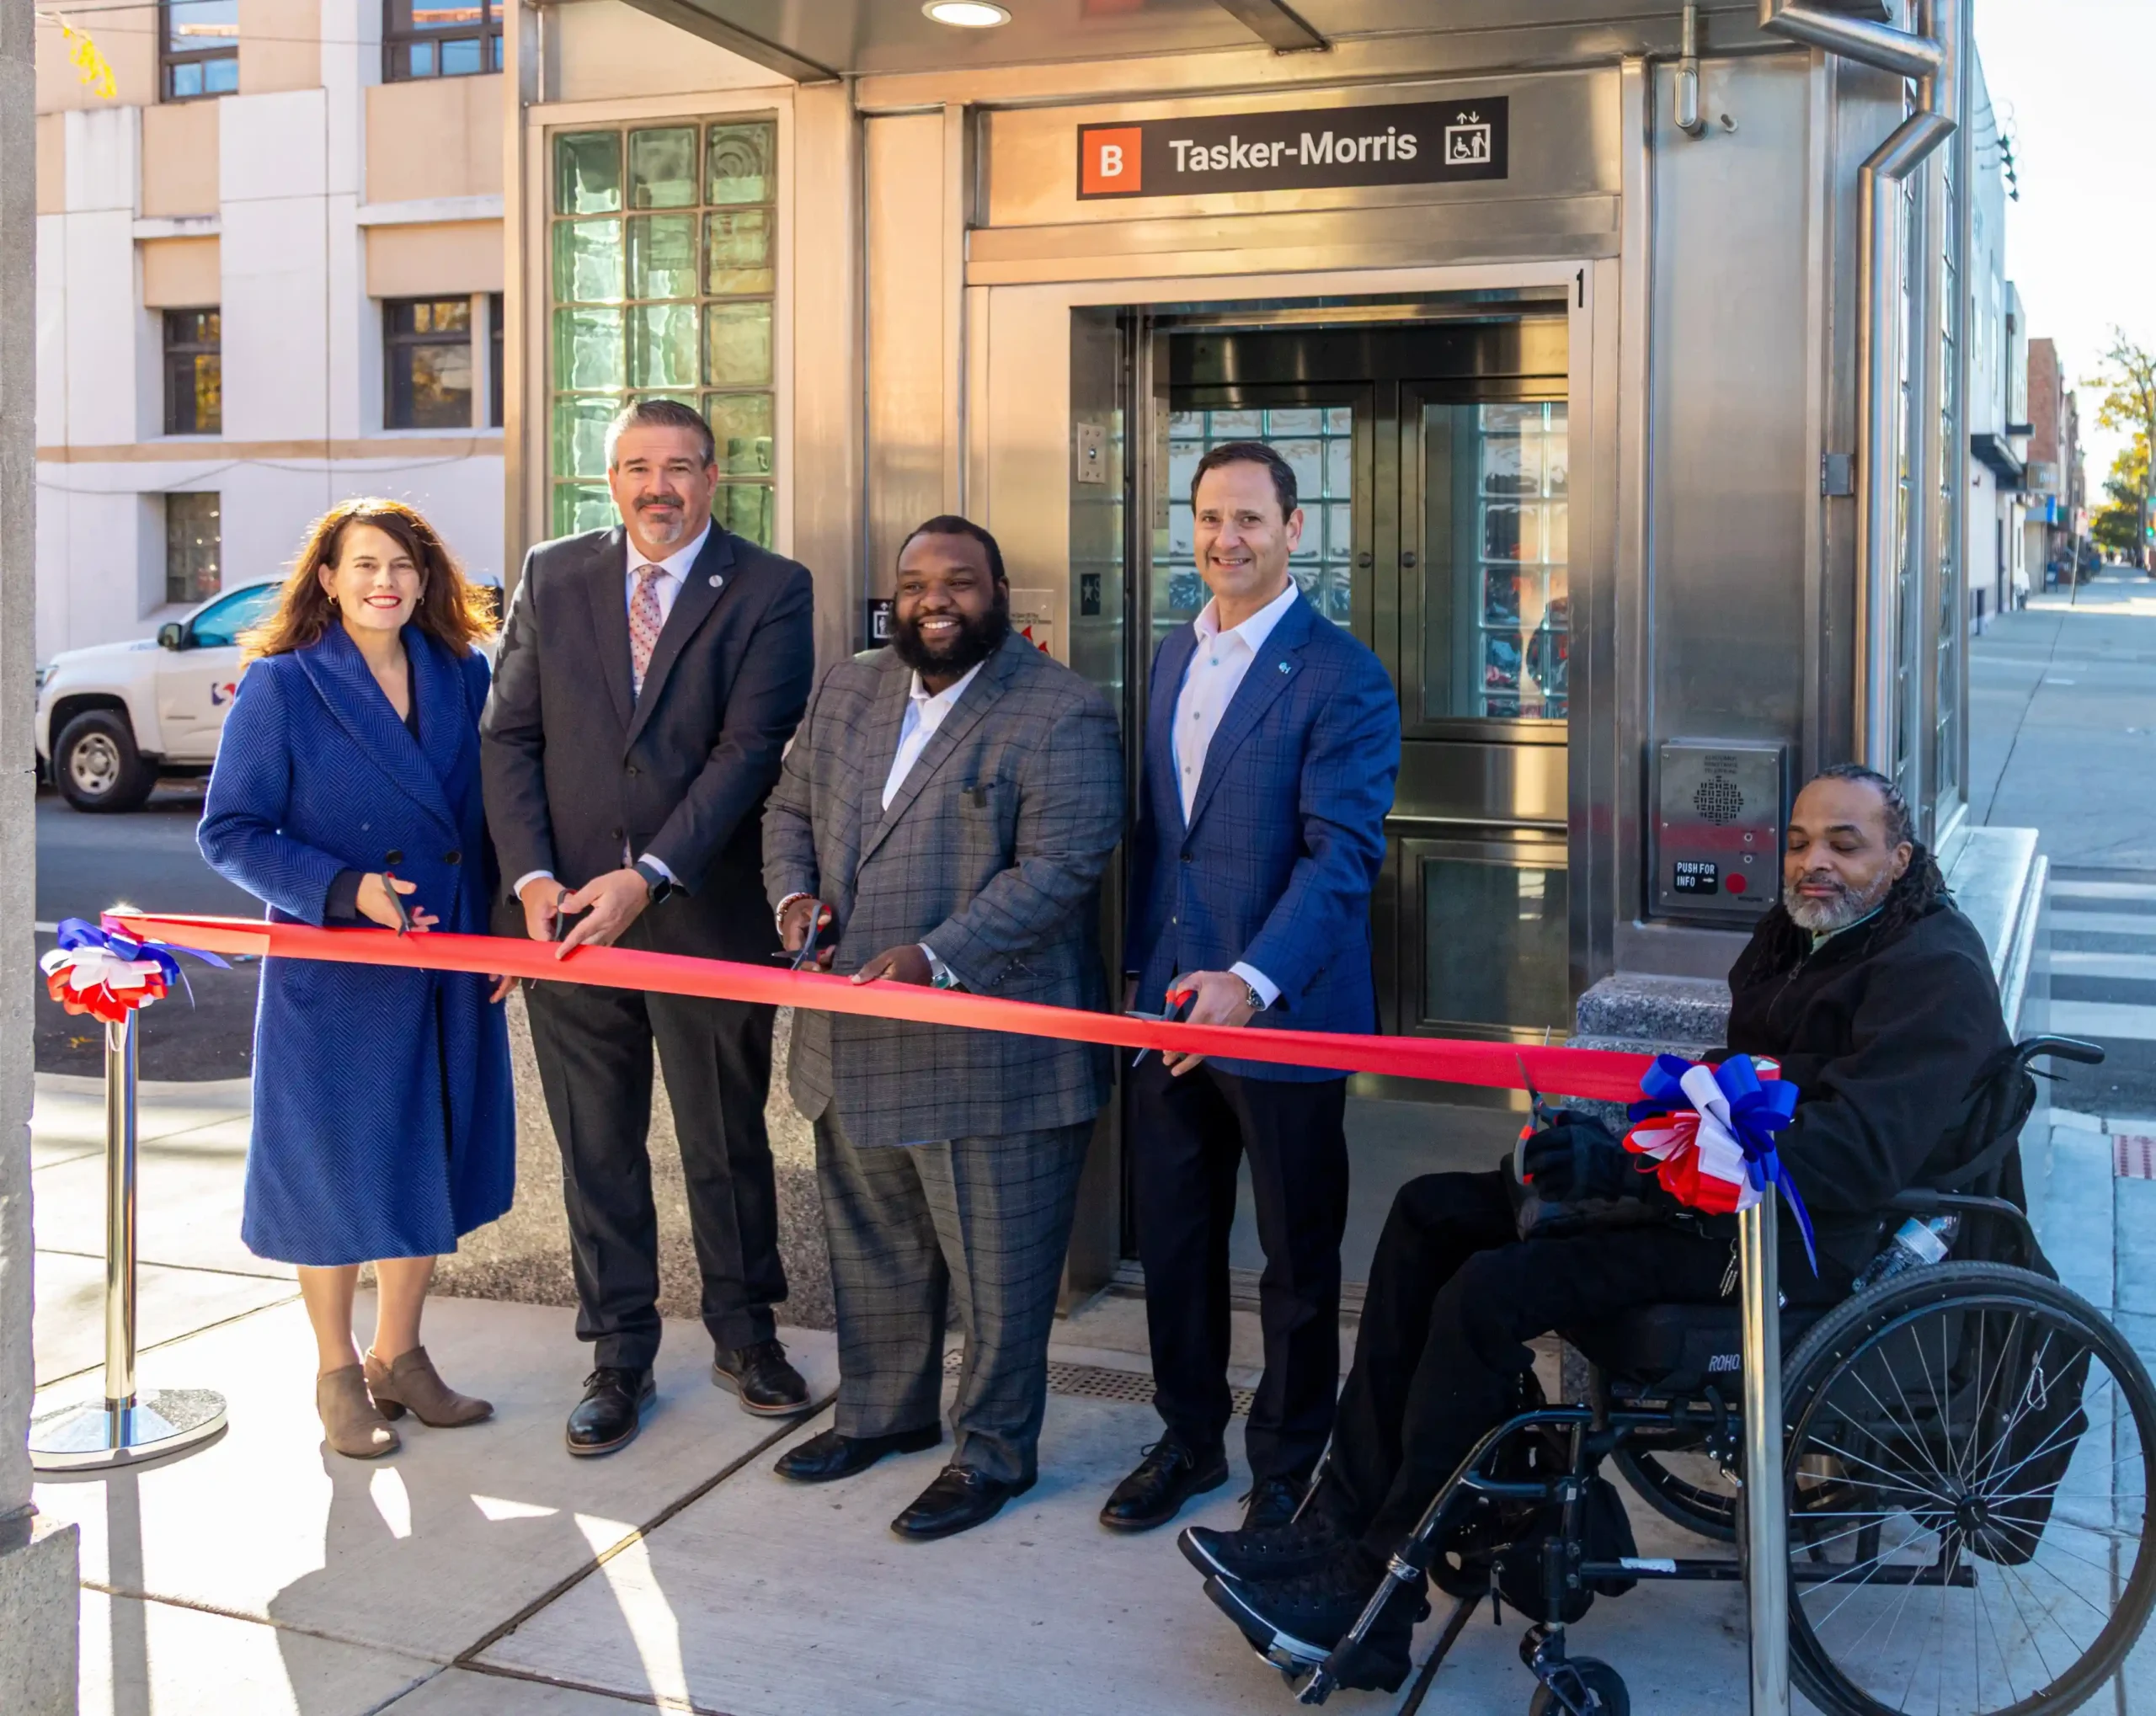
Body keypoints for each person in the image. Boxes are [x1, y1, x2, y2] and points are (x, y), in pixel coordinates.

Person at [1186, 763, 2013, 1691]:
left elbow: (1846, 1161)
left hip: (1796, 1243)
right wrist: (1615, 1144)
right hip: (1711, 1201)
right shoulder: (1798, 936)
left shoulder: (1931, 973)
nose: (1813, 861)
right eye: (1797, 841)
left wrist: (1627, 1171)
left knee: (1490, 1290)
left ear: (1899, 858)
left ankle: (1378, 1592)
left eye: (1843, 844)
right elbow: (1727, 1086)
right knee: (1428, 1210)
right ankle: (1335, 1524)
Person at [760, 516, 1123, 1540]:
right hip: (851, 1035)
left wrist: (935, 954)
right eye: (916, 582)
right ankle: (884, 1415)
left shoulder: (1062, 709)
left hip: (991, 1057)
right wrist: (794, 901)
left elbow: (1059, 868)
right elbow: (788, 811)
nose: (935, 600)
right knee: (871, 1244)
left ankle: (994, 1454)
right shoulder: (849, 687)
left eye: (959, 582)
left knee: (1000, 1277)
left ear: (997, 592)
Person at [481, 398, 816, 1457]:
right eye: (636, 467)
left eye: (678, 467)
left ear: (714, 478)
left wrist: (651, 875)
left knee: (724, 1139)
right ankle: (618, 1353)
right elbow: (508, 735)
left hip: (703, 914)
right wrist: (533, 878)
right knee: (597, 1148)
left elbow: (749, 752)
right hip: (567, 923)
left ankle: (745, 1335)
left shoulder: (771, 587)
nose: (656, 487)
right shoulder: (553, 573)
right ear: (611, 479)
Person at [1102, 441, 1401, 1538]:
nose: (1225, 539)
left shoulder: (1342, 674)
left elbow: (1341, 856)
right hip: (1167, 1010)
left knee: (1296, 1257)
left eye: (1249, 520)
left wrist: (1251, 978)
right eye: (1209, 518)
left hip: (1287, 1013)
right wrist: (1144, 978)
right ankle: (1187, 1438)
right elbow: (1167, 839)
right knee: (1175, 1241)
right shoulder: (1173, 655)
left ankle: (1288, 1460)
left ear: (1293, 529)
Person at [199, 498, 515, 1460]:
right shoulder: (282, 684)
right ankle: (337, 1373)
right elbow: (230, 832)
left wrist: (504, 930)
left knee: (430, 1154)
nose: (386, 581)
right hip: (335, 970)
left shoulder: (462, 673)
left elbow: (491, 814)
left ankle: (400, 1356)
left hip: (447, 954)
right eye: (365, 565)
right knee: (332, 1172)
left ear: (426, 579)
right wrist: (344, 889)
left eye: (403, 565)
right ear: (328, 580)